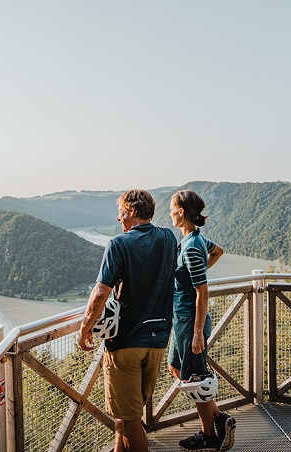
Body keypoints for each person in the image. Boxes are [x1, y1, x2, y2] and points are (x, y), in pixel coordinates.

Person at [78, 189, 177, 452]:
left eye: (121, 212)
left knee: (131, 419)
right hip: (157, 341)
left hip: (126, 342)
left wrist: (85, 328)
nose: (118, 217)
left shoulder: (118, 244)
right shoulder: (168, 237)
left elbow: (100, 292)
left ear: (131, 213)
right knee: (126, 413)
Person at [167, 190, 236, 451]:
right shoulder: (196, 239)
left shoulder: (192, 248)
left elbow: (202, 292)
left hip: (189, 321)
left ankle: (209, 434)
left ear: (181, 211)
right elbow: (219, 251)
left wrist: (197, 333)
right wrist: (196, 273)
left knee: (195, 379)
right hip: (182, 319)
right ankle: (220, 418)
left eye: (172, 209)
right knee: (176, 368)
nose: (170, 213)